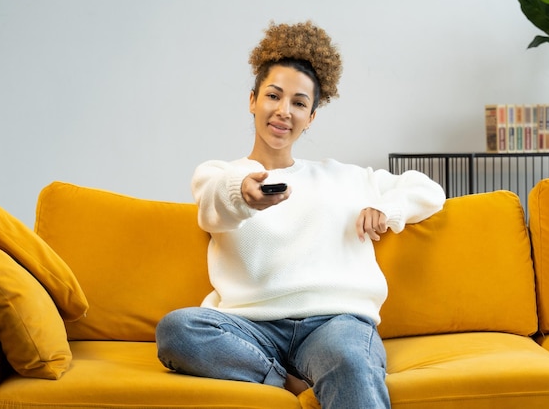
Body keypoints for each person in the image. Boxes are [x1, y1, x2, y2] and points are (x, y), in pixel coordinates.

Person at [156, 21, 446, 409]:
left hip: (334, 324)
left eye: (298, 103)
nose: (283, 111)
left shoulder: (347, 177)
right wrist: (245, 194)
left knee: (349, 360)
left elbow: (429, 191)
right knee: (177, 329)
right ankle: (286, 382)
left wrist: (387, 209)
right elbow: (215, 202)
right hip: (250, 328)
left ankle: (285, 375)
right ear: (252, 100)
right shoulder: (219, 174)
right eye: (273, 96)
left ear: (311, 117)